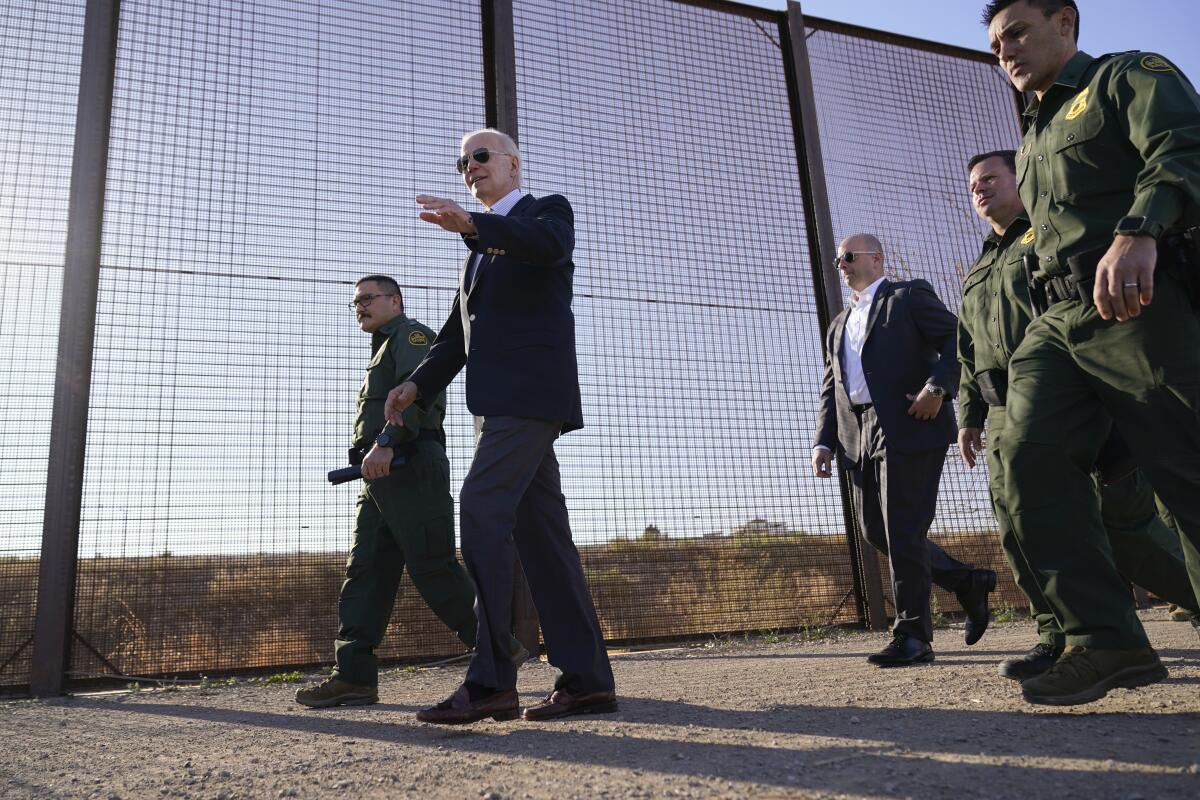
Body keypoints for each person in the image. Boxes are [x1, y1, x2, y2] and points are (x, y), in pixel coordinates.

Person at [984, 0, 1200, 705]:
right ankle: (1104, 638)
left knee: (1185, 467)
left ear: (1065, 23)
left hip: (1139, 300)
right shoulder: (1034, 130)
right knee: (1024, 452)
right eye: (995, 44)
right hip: (1060, 320)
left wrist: (1141, 229)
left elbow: (1182, 144)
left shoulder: (1122, 78)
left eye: (1017, 32)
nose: (1006, 51)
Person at [385, 128, 616, 724]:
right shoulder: (478, 258)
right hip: (500, 406)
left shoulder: (545, 214)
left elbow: (543, 245)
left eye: (481, 157)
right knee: (545, 540)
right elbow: (456, 337)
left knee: (481, 509)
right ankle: (588, 679)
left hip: (531, 400)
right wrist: (415, 386)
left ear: (513, 164)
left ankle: (491, 680)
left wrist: (471, 226)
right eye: (463, 162)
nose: (470, 167)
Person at [957, 150, 1200, 682]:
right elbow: (966, 349)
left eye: (990, 179)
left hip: (1072, 395)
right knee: (1021, 526)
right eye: (972, 185)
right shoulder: (977, 268)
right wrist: (969, 413)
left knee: (1125, 525)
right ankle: (1059, 634)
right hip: (1003, 407)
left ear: (1021, 181)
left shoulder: (1045, 243)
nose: (979, 190)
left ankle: (1191, 595)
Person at [295, 276, 482, 708]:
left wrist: (388, 442)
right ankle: (354, 676)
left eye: (367, 298)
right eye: (355, 302)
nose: (359, 306)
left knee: (433, 566)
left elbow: (421, 392)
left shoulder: (410, 334)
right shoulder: (381, 345)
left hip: (408, 461)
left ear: (394, 301)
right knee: (366, 571)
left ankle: (498, 649)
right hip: (379, 471)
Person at [813, 234, 997, 666]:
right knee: (877, 531)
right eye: (839, 258)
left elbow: (958, 338)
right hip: (855, 433)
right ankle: (968, 581)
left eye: (849, 256)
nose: (842, 263)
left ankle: (913, 635)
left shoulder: (908, 294)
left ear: (876, 260)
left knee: (902, 530)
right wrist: (824, 439)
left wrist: (937, 388)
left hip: (911, 422)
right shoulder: (838, 324)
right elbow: (830, 385)